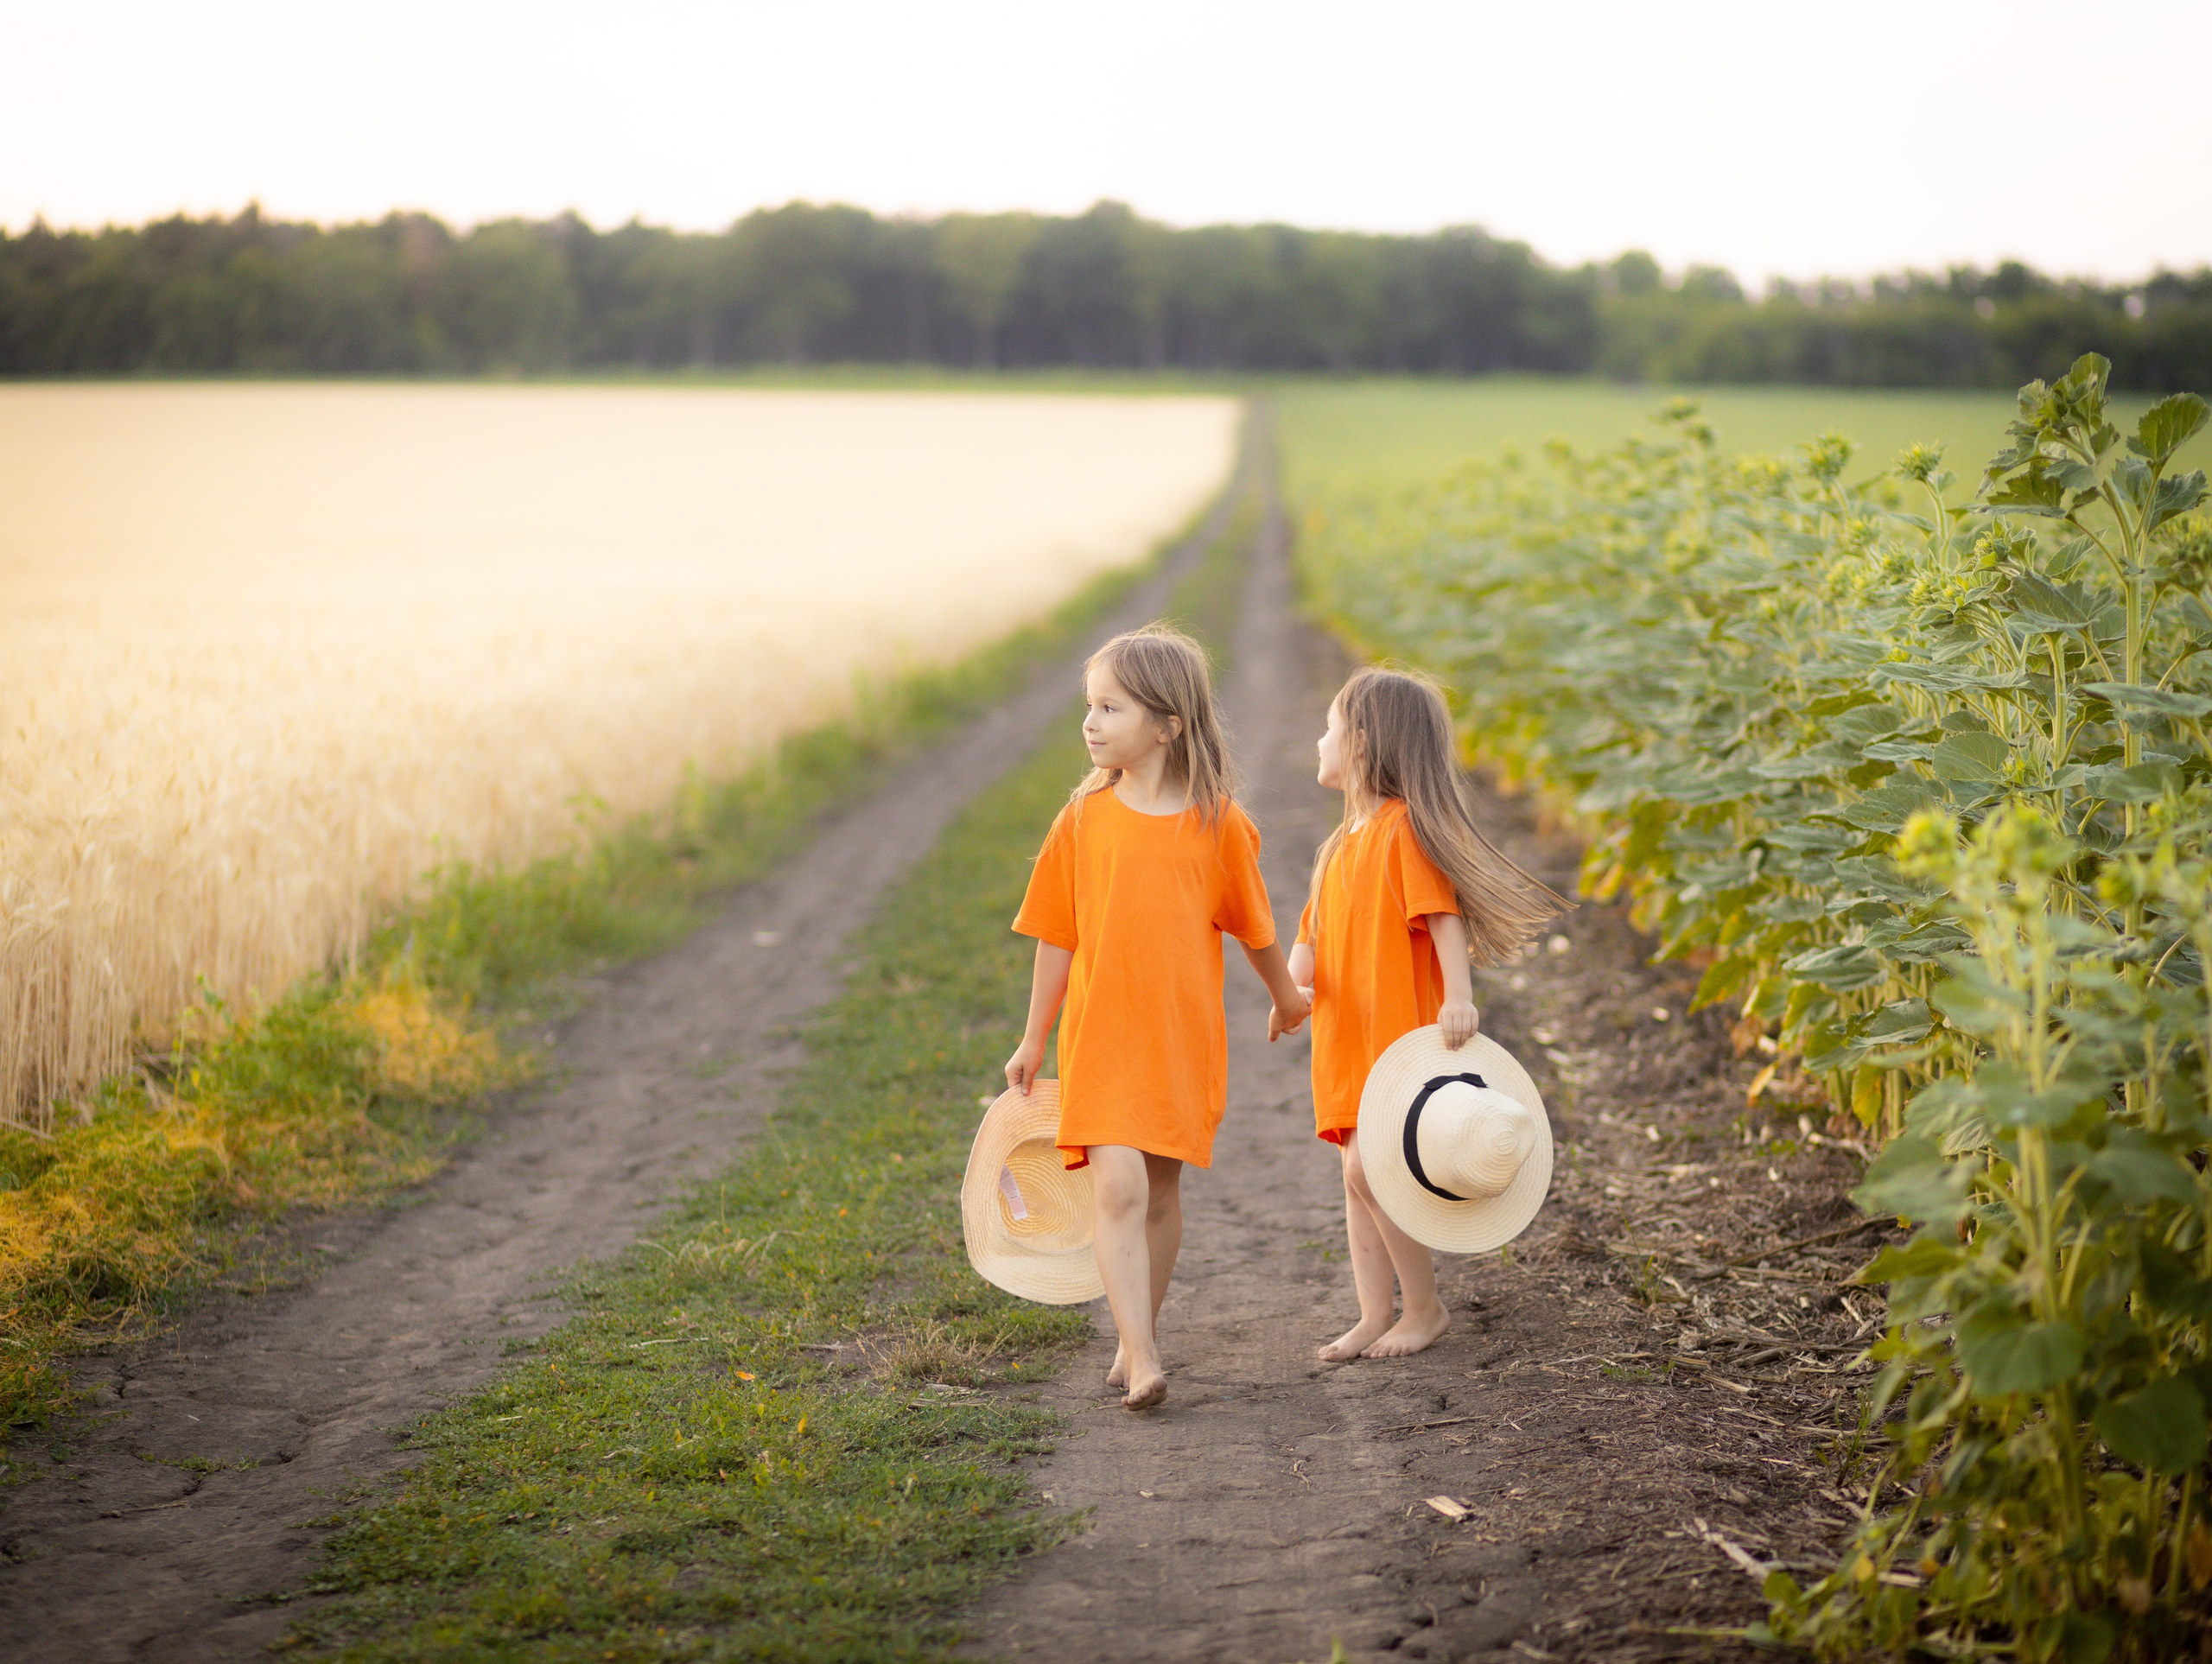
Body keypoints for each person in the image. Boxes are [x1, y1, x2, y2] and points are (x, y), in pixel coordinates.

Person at [1006, 624, 1309, 1411]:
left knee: (1163, 1197)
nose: (1091, 722)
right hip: (1102, 1034)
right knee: (1118, 1189)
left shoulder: (1219, 824)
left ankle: (1133, 1335)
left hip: (1180, 1040)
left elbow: (1257, 929)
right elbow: (1055, 936)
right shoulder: (1083, 818)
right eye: (1089, 706)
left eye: (1110, 707)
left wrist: (1286, 998)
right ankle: (1140, 1354)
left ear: (1169, 724)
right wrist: (1034, 1037)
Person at [1291, 666, 1563, 1362]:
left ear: (1358, 742)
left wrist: (1459, 995)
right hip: (1344, 1036)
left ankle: (1424, 1307)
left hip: (1393, 1033)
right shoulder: (1337, 847)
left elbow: (1440, 917)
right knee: (1354, 1176)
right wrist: (1289, 998)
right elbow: (1309, 943)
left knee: (1373, 1171)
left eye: (1327, 726)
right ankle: (1373, 1312)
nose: (1317, 739)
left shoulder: (1400, 831)